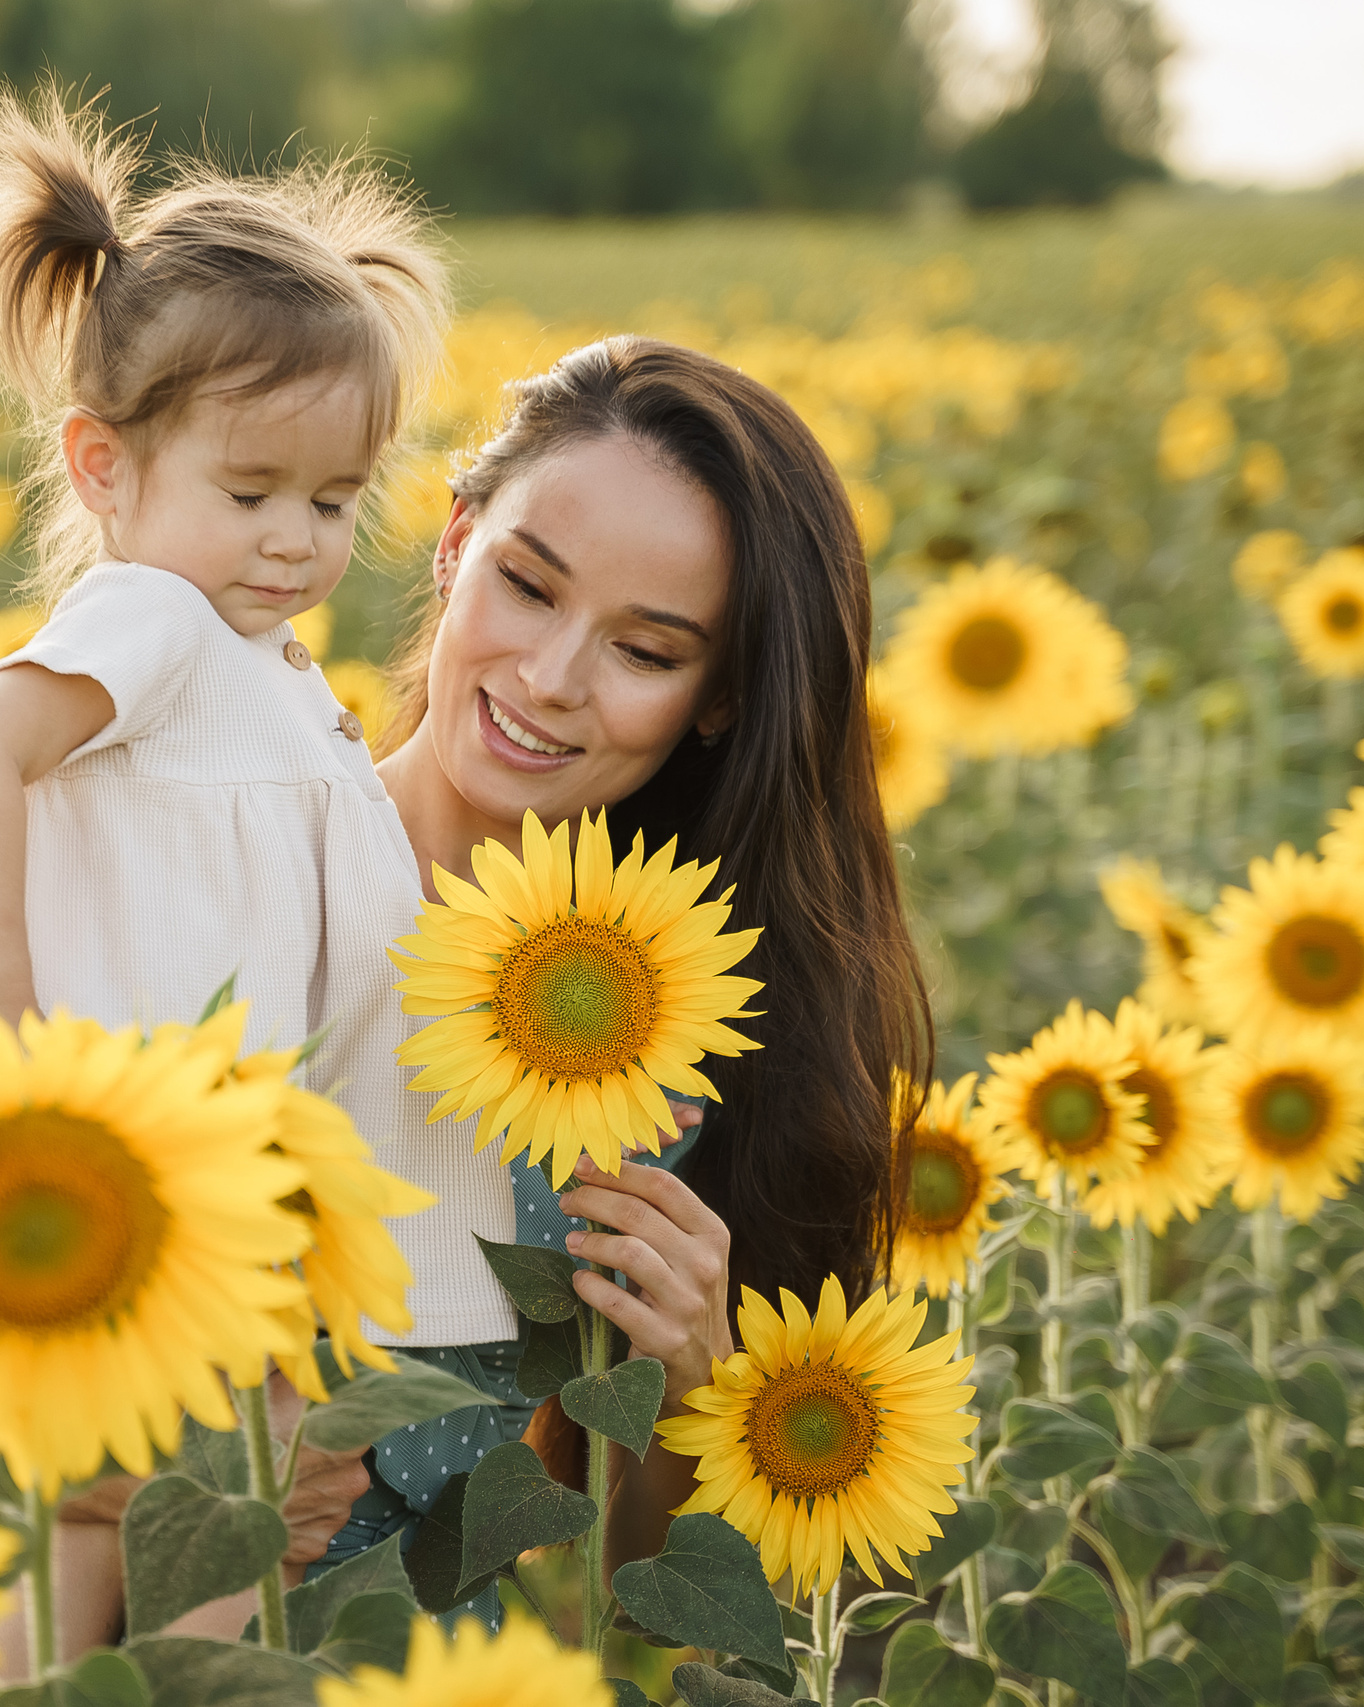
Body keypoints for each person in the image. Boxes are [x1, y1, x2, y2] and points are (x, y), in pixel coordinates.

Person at [0, 86, 471, 1675]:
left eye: (336, 503)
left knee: (169, 1530)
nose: (294, 541)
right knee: (145, 1532)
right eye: (252, 491)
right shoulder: (151, 622)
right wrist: (11, 1046)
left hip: (208, 1209)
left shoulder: (264, 665)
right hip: (117, 1180)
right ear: (104, 467)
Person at [335, 332, 936, 1584]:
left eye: (646, 651)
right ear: (453, 548)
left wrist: (688, 1376)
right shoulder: (236, 863)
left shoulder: (688, 1040)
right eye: (528, 586)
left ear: (718, 699)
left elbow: (628, 1593)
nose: (550, 680)